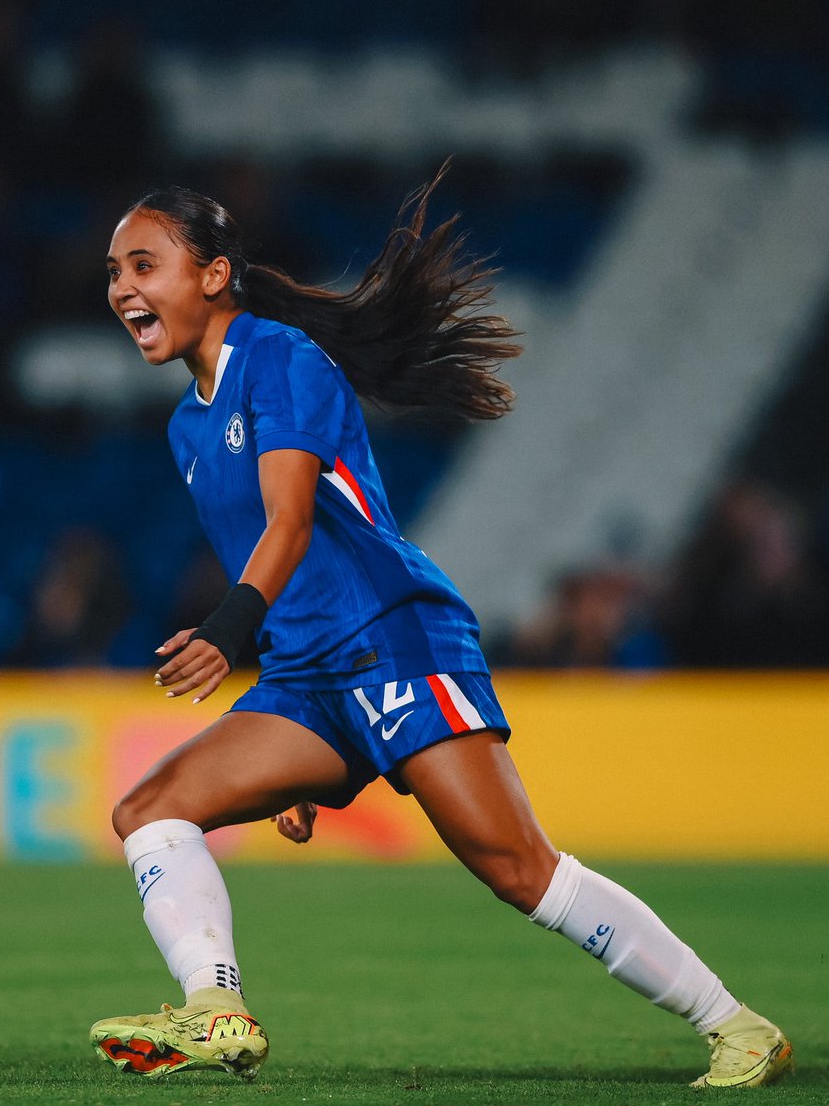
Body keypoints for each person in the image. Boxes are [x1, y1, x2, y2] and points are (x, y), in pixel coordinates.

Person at [90, 169, 792, 1089]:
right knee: (148, 812)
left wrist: (228, 632)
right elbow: (268, 551)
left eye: (144, 264)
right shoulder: (190, 425)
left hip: (391, 636)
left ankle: (738, 1027)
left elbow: (292, 522)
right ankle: (216, 1009)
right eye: (112, 272)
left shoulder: (285, 358)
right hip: (306, 675)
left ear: (215, 273)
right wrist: (291, 751)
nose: (122, 289)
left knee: (518, 869)